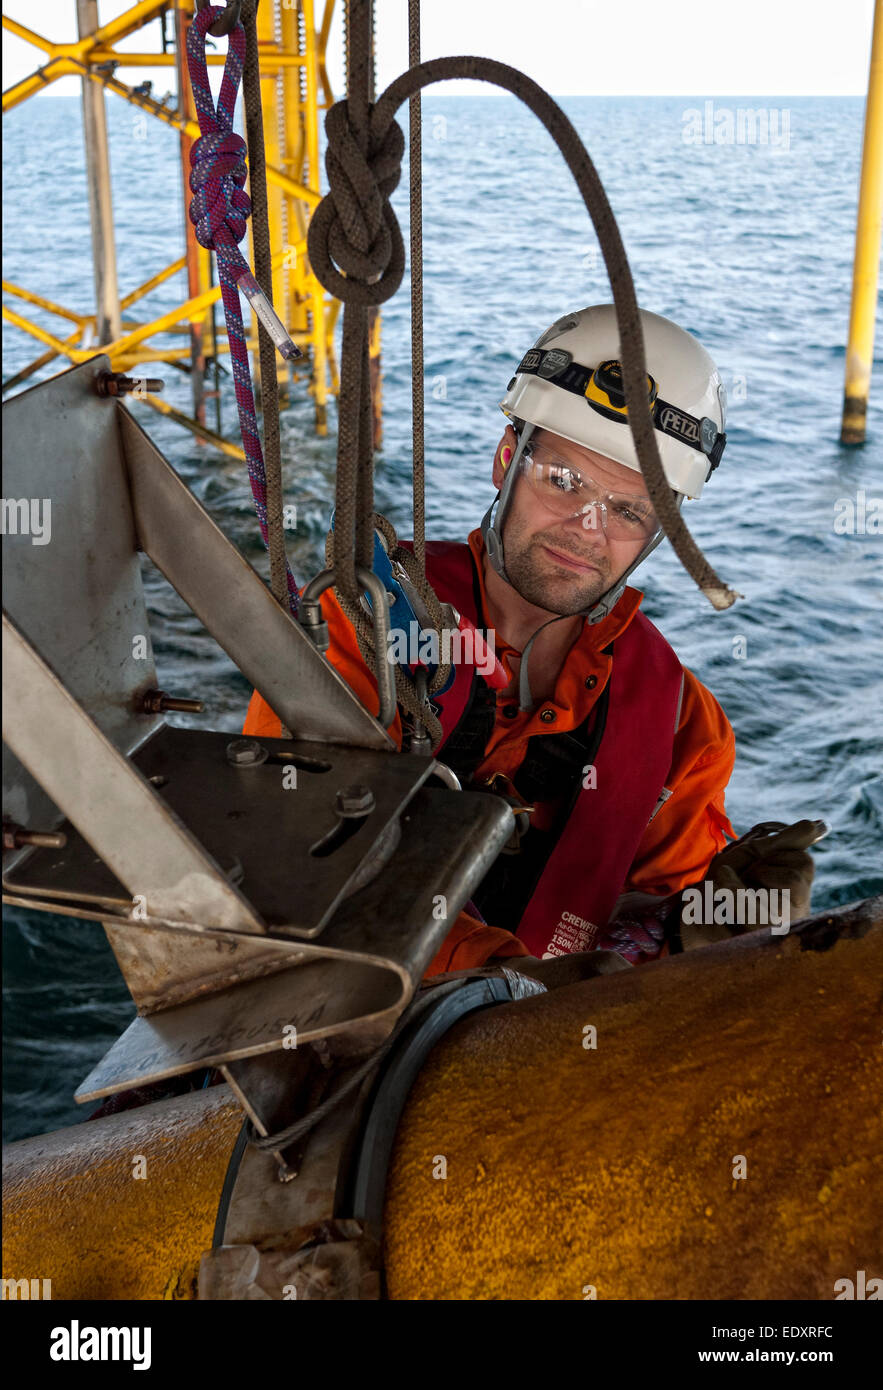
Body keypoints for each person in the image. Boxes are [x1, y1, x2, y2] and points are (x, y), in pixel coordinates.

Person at [243, 304, 820, 981]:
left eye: (629, 510)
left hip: (558, 1061)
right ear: (505, 458)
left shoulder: (679, 728)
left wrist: (708, 933)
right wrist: (507, 986)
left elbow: (655, 935)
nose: (587, 528)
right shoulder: (362, 625)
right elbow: (298, 852)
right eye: (564, 481)